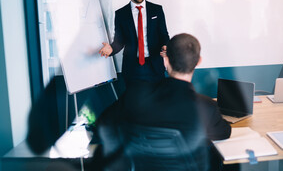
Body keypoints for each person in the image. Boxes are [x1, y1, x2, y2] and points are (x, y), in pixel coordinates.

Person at [96, 33, 231, 170]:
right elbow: (225, 132)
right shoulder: (206, 107)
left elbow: (103, 123)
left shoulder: (136, 93)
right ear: (198, 62)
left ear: (165, 60)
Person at [99, 0, 169, 84]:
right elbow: (119, 41)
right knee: (134, 100)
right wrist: (111, 49)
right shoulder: (121, 14)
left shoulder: (157, 10)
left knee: (157, 99)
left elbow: (164, 34)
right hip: (132, 67)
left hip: (155, 65)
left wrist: (165, 47)